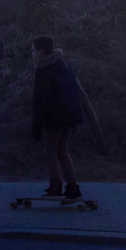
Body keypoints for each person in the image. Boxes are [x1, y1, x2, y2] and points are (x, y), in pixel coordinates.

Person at [30, 35, 87, 199]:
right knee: (62, 150)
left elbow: (41, 100)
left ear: (40, 52)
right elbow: (73, 92)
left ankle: (56, 185)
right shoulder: (62, 66)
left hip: (56, 117)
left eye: (33, 50)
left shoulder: (44, 71)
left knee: (51, 150)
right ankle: (72, 186)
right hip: (69, 116)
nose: (32, 54)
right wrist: (75, 117)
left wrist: (37, 126)